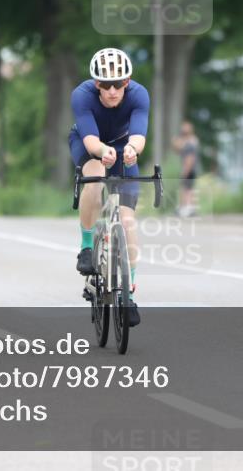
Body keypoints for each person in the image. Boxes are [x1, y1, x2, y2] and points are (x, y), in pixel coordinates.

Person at [69, 47, 148, 327]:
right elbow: (91, 141)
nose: (113, 90)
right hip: (89, 144)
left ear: (128, 82)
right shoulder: (82, 95)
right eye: (105, 84)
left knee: (127, 220)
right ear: (96, 83)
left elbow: (139, 135)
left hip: (123, 147)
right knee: (96, 174)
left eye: (119, 83)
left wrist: (132, 151)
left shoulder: (139, 94)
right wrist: (102, 150)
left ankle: (129, 293)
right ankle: (87, 246)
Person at [171, 121, 199, 217]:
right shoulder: (189, 141)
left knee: (187, 188)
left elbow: (190, 158)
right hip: (190, 168)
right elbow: (178, 149)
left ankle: (188, 208)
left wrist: (185, 170)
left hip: (189, 168)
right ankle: (187, 207)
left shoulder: (191, 142)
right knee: (187, 188)